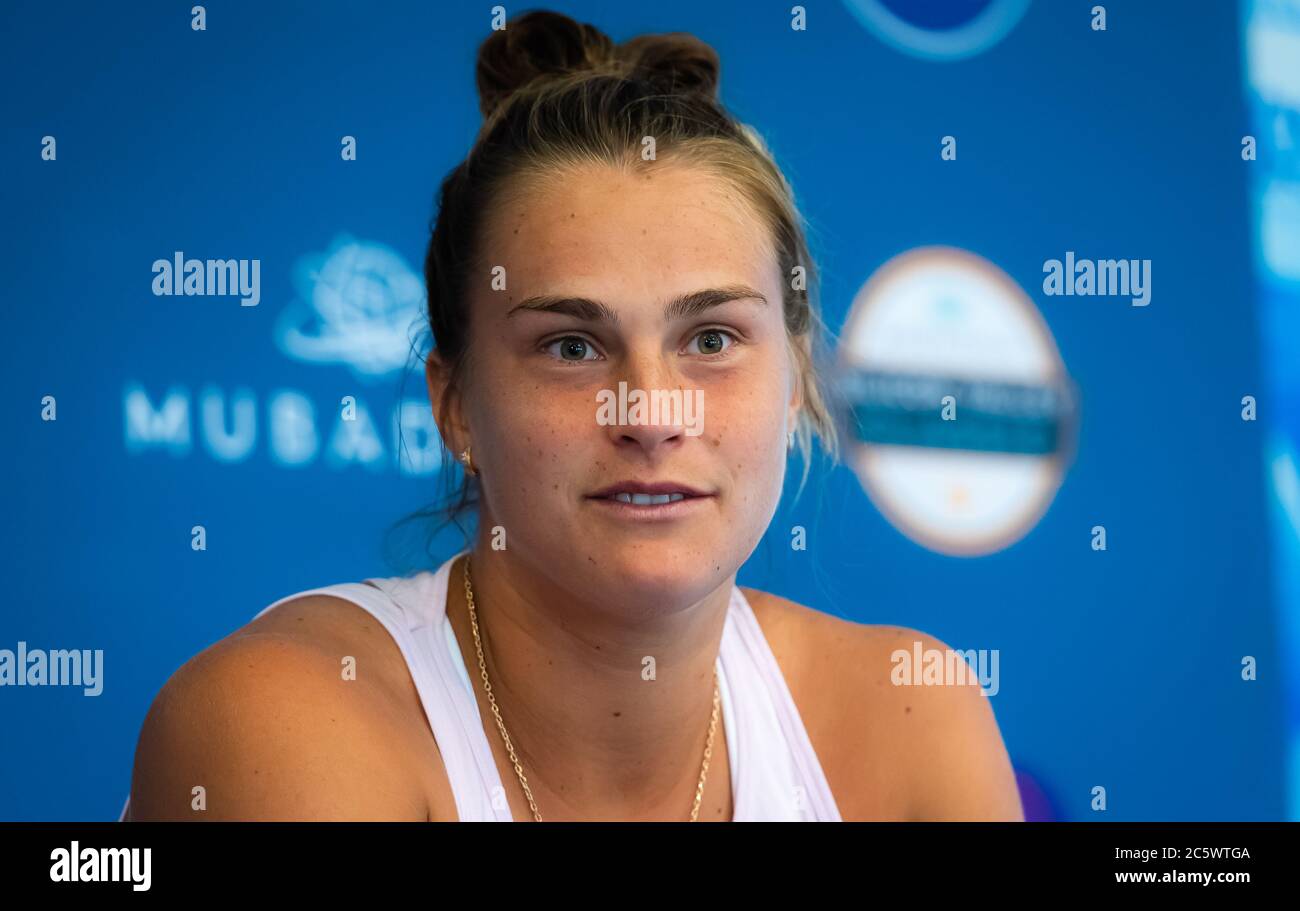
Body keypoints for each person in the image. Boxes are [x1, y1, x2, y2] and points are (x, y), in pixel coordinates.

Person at [123, 8, 1023, 822]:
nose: (651, 411)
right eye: (572, 347)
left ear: (793, 385)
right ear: (456, 405)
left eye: (711, 339)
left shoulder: (912, 716)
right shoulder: (285, 722)